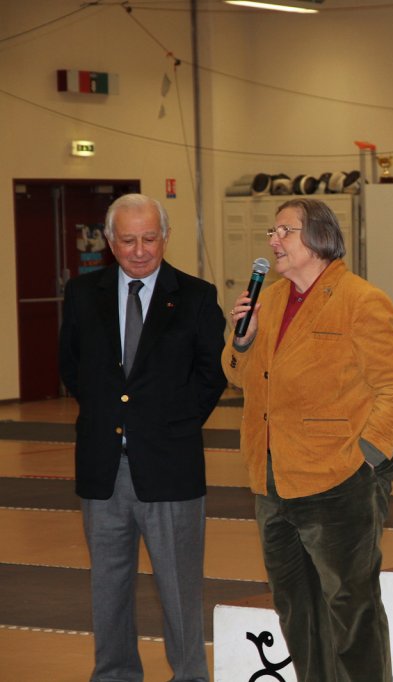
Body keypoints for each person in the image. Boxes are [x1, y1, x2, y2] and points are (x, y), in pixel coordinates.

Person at [222, 197, 393, 682]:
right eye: (272, 232)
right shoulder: (270, 300)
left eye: (284, 231)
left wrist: (368, 455)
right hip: (272, 478)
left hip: (340, 477)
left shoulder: (361, 300)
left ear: (319, 239)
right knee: (296, 608)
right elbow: (239, 376)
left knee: (350, 608)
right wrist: (241, 340)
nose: (274, 241)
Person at [59, 193, 227, 682]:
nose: (139, 250)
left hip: (170, 466)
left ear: (166, 237)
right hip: (102, 466)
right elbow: (72, 366)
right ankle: (114, 674)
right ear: (110, 241)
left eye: (149, 238)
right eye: (128, 240)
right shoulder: (82, 294)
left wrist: (172, 425)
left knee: (179, 588)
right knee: (108, 588)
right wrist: (110, 416)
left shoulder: (196, 296)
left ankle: (190, 675)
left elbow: (211, 374)